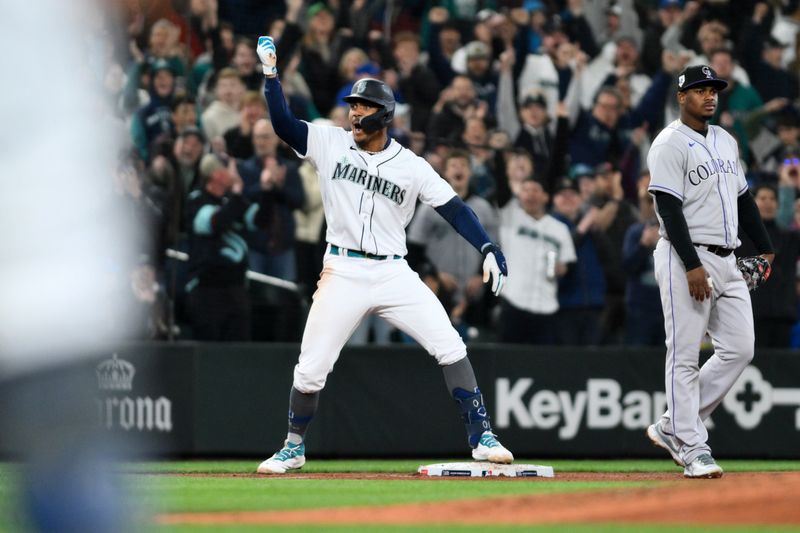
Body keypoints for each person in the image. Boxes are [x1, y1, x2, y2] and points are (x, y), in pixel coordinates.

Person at [254, 36, 512, 474]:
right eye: (353, 105)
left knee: (449, 343)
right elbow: (283, 124)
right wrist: (271, 77)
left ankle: (481, 435)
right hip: (343, 268)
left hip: (395, 272)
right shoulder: (329, 142)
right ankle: (294, 445)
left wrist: (487, 245)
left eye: (364, 107)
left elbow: (454, 208)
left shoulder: (411, 165)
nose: (355, 112)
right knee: (312, 365)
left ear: (385, 115)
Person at [646, 65, 774, 478]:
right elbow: (667, 208)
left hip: (728, 256)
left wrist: (766, 247)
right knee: (683, 353)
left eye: (713, 89)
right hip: (685, 255)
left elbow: (744, 200)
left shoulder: (725, 139)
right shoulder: (668, 143)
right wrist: (692, 263)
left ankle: (673, 425)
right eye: (700, 90)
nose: (709, 96)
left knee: (740, 348)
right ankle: (692, 445)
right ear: (682, 97)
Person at [185, 154, 274, 341]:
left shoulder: (232, 200)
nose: (235, 173)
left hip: (236, 287)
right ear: (216, 174)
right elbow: (215, 223)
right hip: (207, 289)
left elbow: (260, 221)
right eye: (230, 168)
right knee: (210, 347)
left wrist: (267, 191)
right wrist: (236, 194)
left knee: (237, 348)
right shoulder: (197, 200)